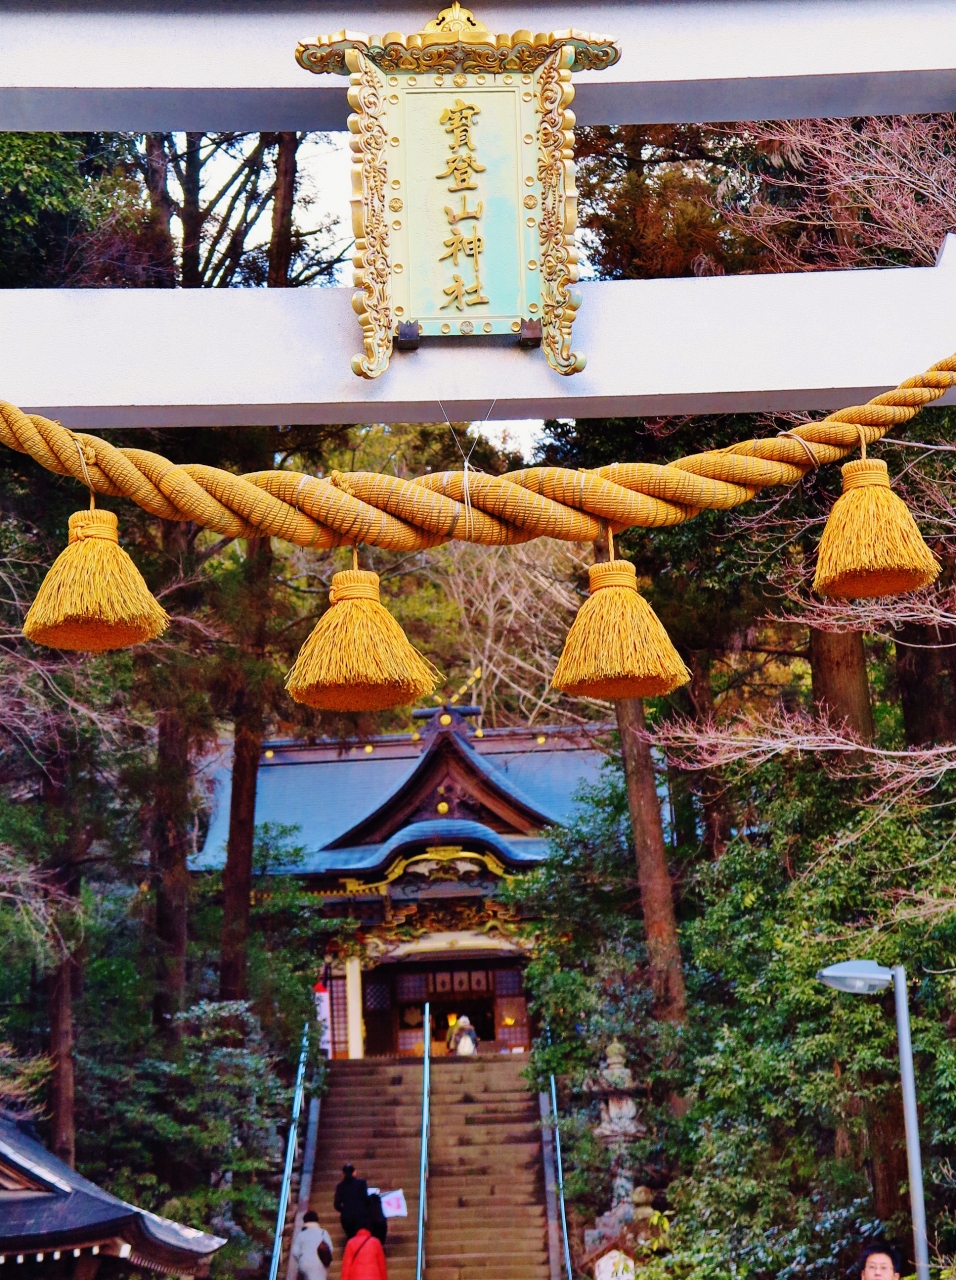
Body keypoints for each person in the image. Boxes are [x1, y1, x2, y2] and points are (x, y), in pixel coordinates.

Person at [290, 1212, 333, 1280]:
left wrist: (301, 1258)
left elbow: (295, 1252)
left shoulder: (301, 1235)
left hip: (304, 1263)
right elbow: (330, 1248)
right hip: (320, 1263)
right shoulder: (323, 1232)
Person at [334, 1163, 370, 1240]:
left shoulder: (340, 1186)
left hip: (347, 1218)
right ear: (354, 1172)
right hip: (361, 1216)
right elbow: (366, 1199)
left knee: (351, 1238)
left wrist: (344, 1210)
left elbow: (337, 1204)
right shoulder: (361, 1183)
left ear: (343, 1174)